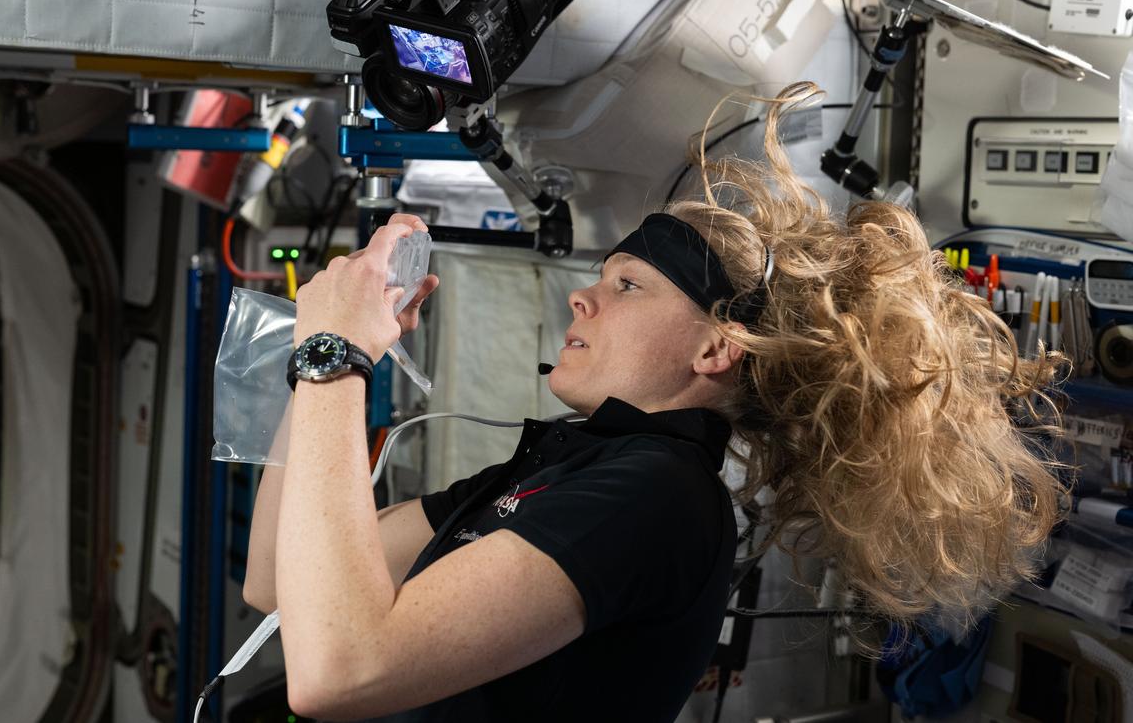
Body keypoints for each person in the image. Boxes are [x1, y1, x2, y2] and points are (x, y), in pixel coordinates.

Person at [243, 82, 1067, 722]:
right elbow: (277, 578)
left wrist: (337, 358)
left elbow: (339, 669)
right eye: (601, 279)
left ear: (715, 348)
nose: (583, 299)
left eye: (628, 285)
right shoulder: (568, 463)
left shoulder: (657, 495)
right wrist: (322, 355)